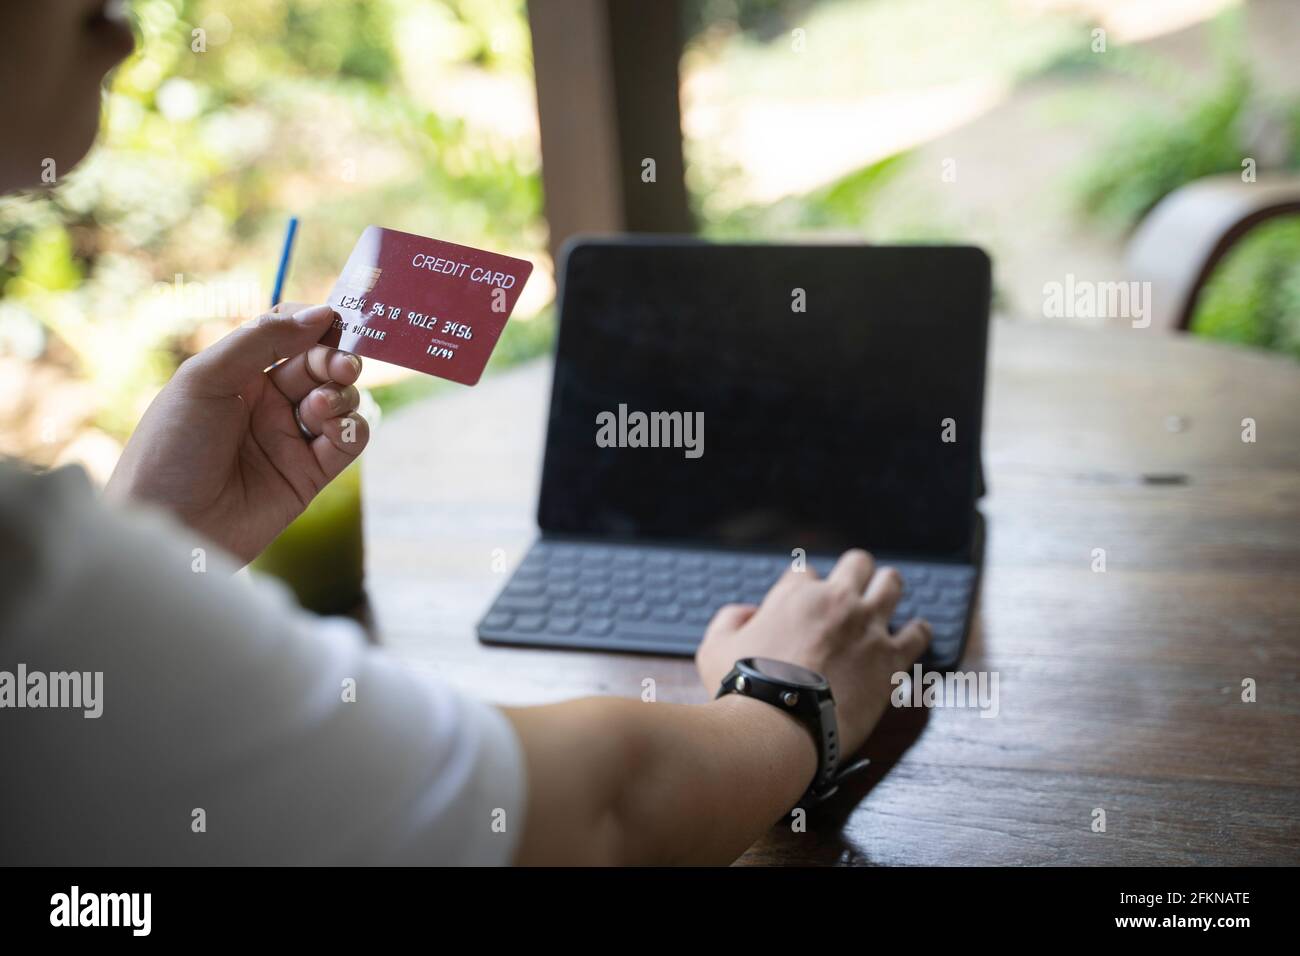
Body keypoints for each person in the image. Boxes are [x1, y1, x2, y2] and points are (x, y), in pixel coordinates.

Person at [0, 0, 931, 865]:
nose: (121, 34)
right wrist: (791, 693)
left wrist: (162, 547)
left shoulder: (48, 582)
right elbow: (598, 818)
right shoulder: (25, 573)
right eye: (87, 3)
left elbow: (99, 721)